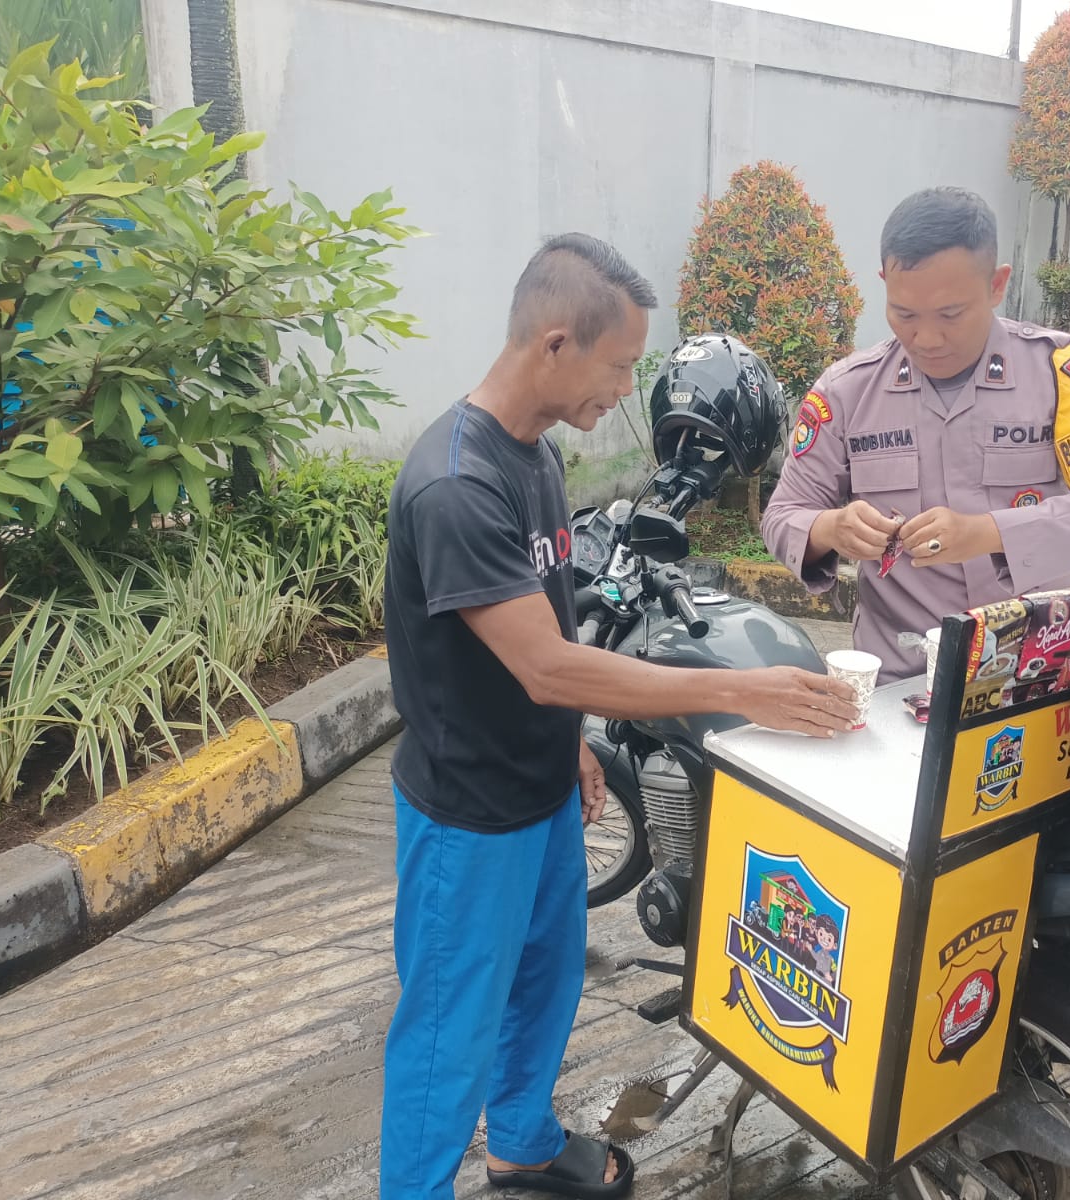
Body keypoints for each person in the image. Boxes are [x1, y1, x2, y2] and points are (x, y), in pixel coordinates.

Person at [380, 233, 856, 1200]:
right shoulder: (457, 483)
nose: (627, 390)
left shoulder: (536, 456)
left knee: (546, 979)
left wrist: (573, 747)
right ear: (556, 344)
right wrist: (741, 691)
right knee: (445, 1037)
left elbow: (553, 615)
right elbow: (549, 665)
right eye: (621, 365)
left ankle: (521, 1144)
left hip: (539, 789)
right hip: (467, 816)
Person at [762, 187, 1070, 683]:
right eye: (905, 314)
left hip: (1033, 673)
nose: (927, 339)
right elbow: (784, 514)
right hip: (901, 682)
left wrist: (986, 534)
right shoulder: (847, 391)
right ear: (885, 283)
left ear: (997, 285)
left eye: (951, 314)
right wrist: (831, 528)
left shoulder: (1063, 372)